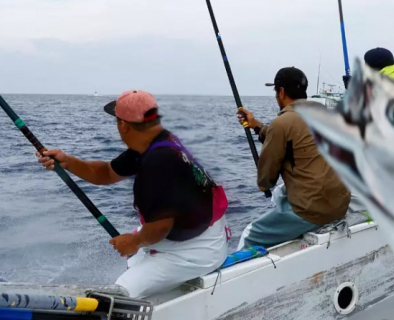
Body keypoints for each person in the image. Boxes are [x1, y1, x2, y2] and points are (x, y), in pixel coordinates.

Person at [37, 90, 229, 298]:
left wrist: (133, 242)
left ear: (124, 125)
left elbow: (161, 227)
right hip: (190, 233)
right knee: (136, 256)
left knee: (117, 294)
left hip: (194, 251)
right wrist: (68, 162)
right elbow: (108, 172)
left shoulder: (158, 163)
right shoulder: (154, 143)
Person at [237, 67, 351, 249]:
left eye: (276, 91)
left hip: (312, 211)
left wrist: (263, 184)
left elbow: (266, 181)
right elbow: (293, 134)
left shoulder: (282, 123)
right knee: (281, 195)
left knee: (249, 235)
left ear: (281, 91)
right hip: (340, 203)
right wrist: (256, 126)